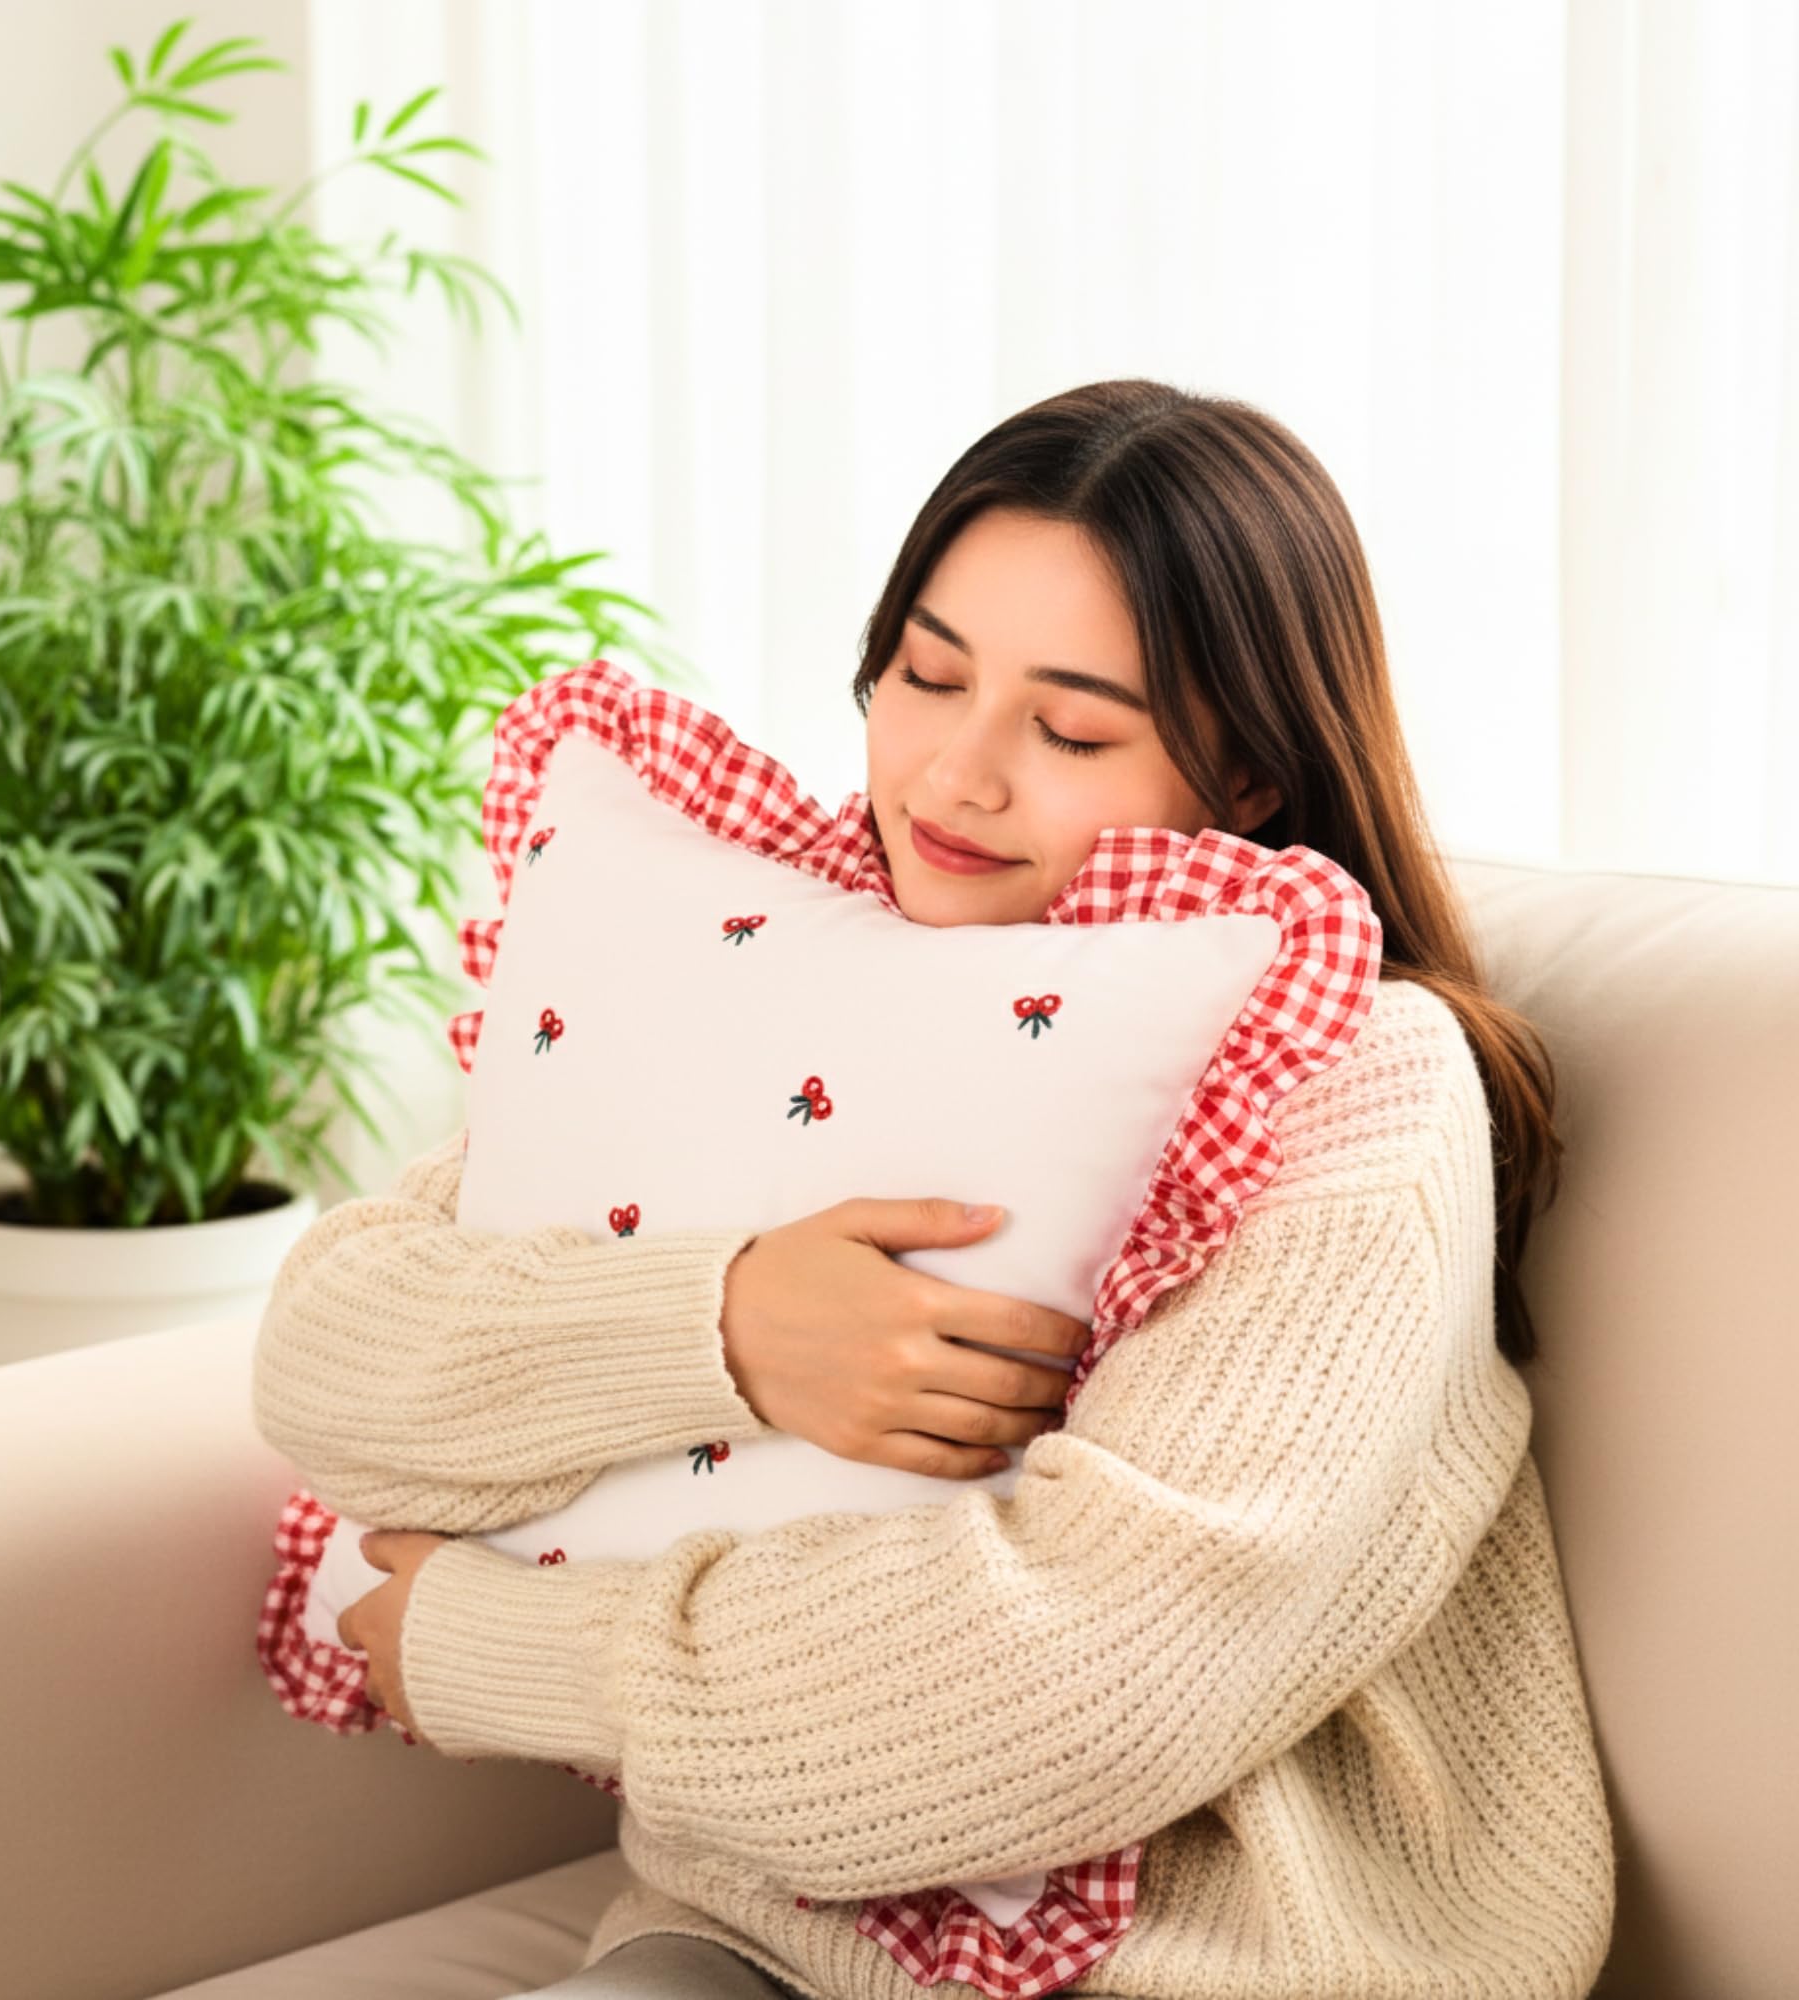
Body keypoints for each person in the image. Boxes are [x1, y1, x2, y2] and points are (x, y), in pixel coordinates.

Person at [252, 378, 1616, 2000]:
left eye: (1071, 727)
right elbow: (331, 1356)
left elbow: (1084, 1682)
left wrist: (500, 1651)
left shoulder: (1354, 1078)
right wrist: (733, 1323)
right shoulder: (781, 950)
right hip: (745, 1938)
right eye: (928, 675)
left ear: (1247, 777)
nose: (954, 779)